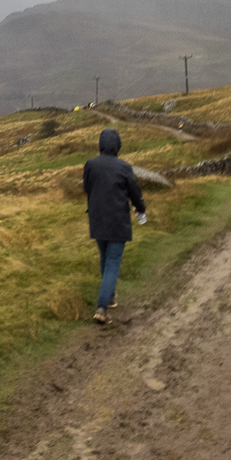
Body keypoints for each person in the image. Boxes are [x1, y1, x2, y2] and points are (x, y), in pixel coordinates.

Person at [82, 128, 146, 325]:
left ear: (100, 144)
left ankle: (109, 298)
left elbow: (87, 188)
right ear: (117, 146)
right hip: (118, 221)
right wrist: (141, 208)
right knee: (112, 263)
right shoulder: (123, 167)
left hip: (97, 219)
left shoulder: (90, 165)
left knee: (105, 258)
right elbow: (134, 192)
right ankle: (102, 307)